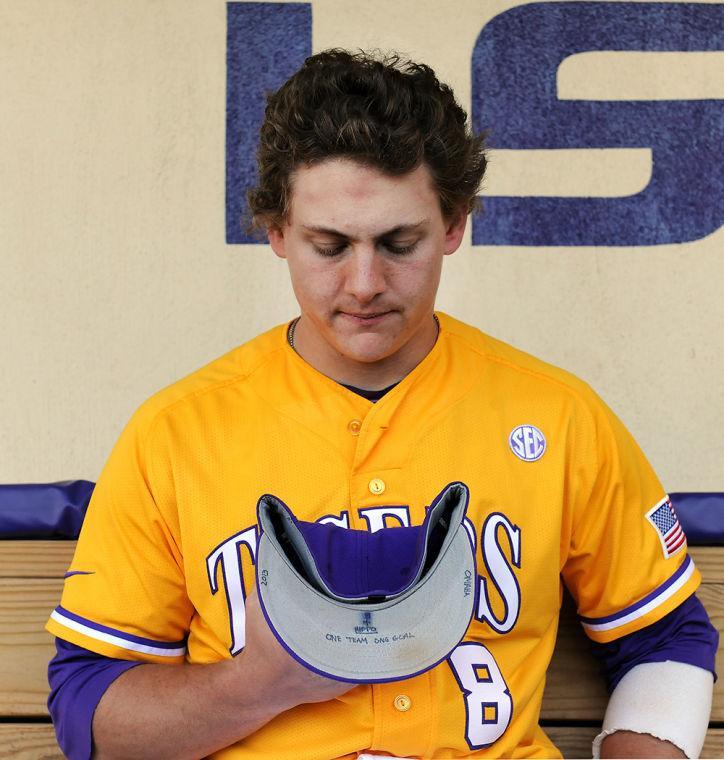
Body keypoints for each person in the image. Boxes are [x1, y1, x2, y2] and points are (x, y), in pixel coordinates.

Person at [46, 49, 717, 760]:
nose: (364, 282)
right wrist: (262, 683)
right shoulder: (178, 432)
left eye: (400, 243)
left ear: (455, 224)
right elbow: (89, 705)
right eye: (328, 245)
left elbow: (667, 637)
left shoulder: (556, 416)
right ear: (276, 233)